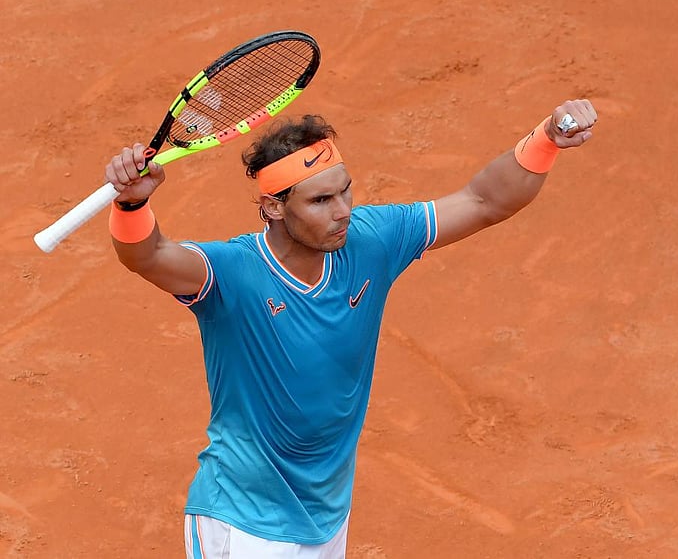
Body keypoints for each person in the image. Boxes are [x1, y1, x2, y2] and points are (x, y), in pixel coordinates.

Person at [104, 99, 597, 558]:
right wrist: (131, 206)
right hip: (245, 520)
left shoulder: (371, 240)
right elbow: (146, 256)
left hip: (326, 514)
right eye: (320, 201)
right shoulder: (232, 273)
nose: (343, 211)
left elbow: (485, 201)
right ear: (274, 207)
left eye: (345, 191)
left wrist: (547, 138)